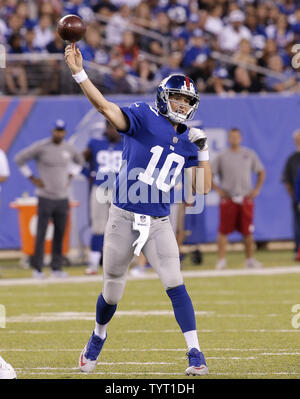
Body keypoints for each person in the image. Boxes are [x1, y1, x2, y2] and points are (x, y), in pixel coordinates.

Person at [65, 43, 212, 376]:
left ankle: (195, 353)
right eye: (177, 98)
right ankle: (98, 335)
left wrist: (203, 154)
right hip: (123, 216)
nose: (182, 105)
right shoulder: (143, 116)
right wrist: (79, 73)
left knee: (175, 282)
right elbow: (104, 107)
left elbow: (201, 189)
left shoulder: (190, 139)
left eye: (188, 101)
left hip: (159, 221)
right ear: (164, 97)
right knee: (112, 290)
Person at [14, 120, 84, 278]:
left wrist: (72, 174)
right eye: (56, 130)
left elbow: (80, 161)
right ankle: (37, 269)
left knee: (60, 233)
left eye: (61, 131)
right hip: (45, 196)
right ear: (52, 130)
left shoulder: (68, 148)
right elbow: (19, 158)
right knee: (41, 233)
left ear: (64, 132)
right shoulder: (42, 147)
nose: (58, 133)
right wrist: (32, 178)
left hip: (62, 197)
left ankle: (56, 268)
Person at [212, 128, 265, 270]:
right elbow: (209, 174)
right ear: (228, 139)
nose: (234, 139)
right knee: (223, 231)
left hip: (245, 198)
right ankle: (221, 260)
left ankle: (250, 260)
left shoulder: (248, 154)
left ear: (240, 138)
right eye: (231, 137)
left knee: (247, 231)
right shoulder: (222, 156)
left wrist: (257, 189)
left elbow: (261, 171)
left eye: (236, 137)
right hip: (229, 198)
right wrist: (218, 190)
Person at [82, 121, 123, 275]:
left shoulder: (127, 143)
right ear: (106, 128)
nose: (114, 131)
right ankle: (93, 263)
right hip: (100, 188)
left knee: (120, 227)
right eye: (111, 127)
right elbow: (79, 160)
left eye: (116, 127)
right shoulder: (95, 143)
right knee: (98, 227)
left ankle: (117, 263)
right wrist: (89, 175)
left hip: (121, 190)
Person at [282, 129, 300, 259]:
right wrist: (295, 197)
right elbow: (288, 181)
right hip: (298, 199)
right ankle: (297, 250)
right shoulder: (292, 159)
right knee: (297, 226)